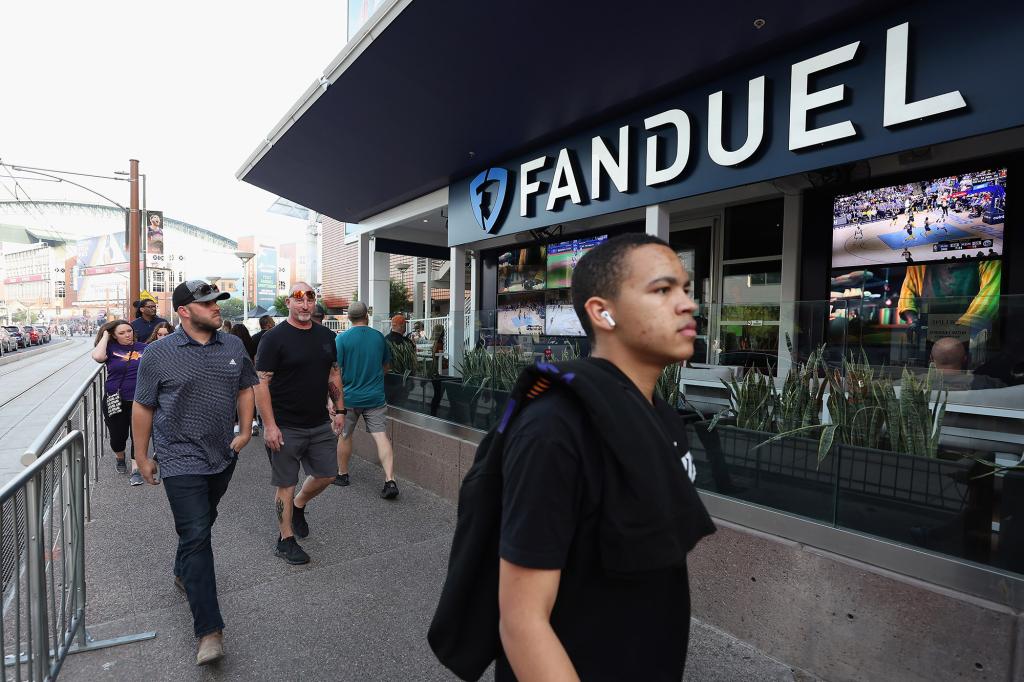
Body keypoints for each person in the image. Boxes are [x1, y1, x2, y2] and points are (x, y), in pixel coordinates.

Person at [494, 233, 714, 681]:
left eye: (687, 289)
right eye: (662, 289)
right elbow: (521, 620)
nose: (688, 304)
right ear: (602, 312)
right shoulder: (554, 429)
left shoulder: (662, 419)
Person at [131, 280, 258, 666]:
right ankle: (209, 631)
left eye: (217, 302)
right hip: (178, 455)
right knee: (198, 534)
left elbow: (246, 387)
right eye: (207, 304)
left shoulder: (234, 345)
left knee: (201, 524)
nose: (216, 308)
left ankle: (182, 570)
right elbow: (142, 407)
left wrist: (245, 431)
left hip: (221, 453)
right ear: (185, 311)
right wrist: (141, 456)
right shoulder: (158, 354)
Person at [253, 283, 343, 565]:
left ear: (315, 303)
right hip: (285, 425)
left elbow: (333, 375)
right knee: (286, 483)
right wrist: (269, 425)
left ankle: (299, 505)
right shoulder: (274, 338)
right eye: (298, 299)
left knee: (328, 474)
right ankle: (285, 539)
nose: (304, 305)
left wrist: (340, 409)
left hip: (318, 422)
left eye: (310, 299)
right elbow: (261, 384)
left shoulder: (327, 336)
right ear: (289, 303)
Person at [333, 301, 398, 498]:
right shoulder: (379, 337)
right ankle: (390, 480)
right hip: (375, 397)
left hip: (349, 398)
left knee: (344, 435)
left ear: (349, 318)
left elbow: (336, 371)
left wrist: (332, 400)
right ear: (366, 316)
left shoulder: (342, 339)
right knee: (381, 436)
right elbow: (386, 367)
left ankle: (342, 475)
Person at [90, 320, 147, 484]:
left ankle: (136, 469)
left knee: (138, 436)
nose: (127, 335)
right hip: (115, 398)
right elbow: (98, 357)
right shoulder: (110, 349)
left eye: (129, 331)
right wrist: (106, 335)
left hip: (140, 400)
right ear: (114, 336)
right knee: (117, 437)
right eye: (121, 333)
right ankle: (120, 457)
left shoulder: (144, 348)